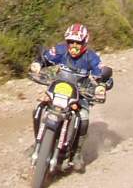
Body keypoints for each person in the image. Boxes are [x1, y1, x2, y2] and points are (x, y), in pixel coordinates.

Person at [30, 22, 114, 159]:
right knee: (39, 108)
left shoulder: (91, 57)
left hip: (80, 93)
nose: (74, 46)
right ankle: (37, 143)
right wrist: (38, 64)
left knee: (84, 117)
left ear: (84, 42)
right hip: (57, 89)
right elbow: (45, 58)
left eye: (78, 42)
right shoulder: (60, 50)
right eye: (71, 42)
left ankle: (77, 153)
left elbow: (102, 75)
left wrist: (102, 85)